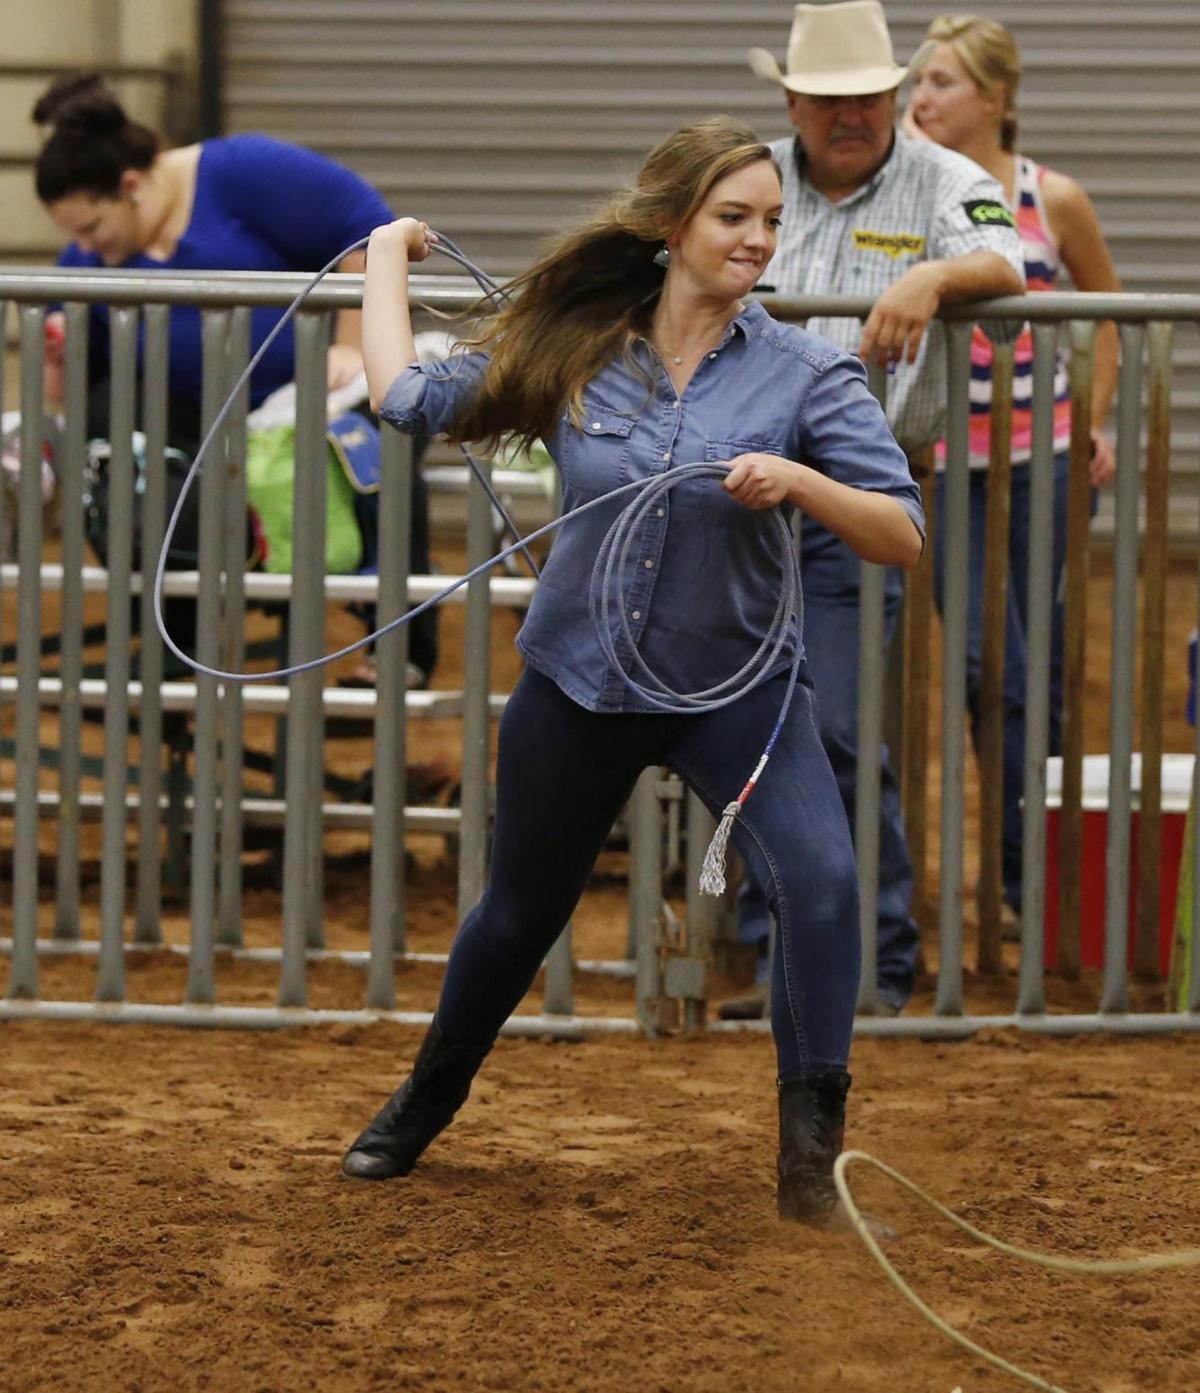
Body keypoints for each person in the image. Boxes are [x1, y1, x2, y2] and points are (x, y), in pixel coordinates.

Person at [341, 117, 924, 1226]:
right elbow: (407, 400)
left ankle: (813, 1174)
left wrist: (801, 483)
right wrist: (379, 257)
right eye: (733, 218)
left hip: (739, 692)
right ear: (670, 227)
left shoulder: (807, 372)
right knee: (520, 912)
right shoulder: (577, 350)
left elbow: (900, 531)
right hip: (581, 680)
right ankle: (424, 1100)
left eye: (770, 222)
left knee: (822, 882)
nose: (758, 240)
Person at [724, 0, 1025, 1019]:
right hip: (737, 500)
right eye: (827, 99)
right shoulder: (747, 174)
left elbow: (1007, 260)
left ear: (895, 97)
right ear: (794, 102)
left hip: (853, 492)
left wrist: (934, 276)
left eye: (867, 97)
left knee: (843, 726)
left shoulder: (944, 180)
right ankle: (773, 954)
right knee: (740, 722)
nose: (849, 116)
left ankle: (872, 961)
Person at [31, 73, 437, 687]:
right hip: (195, 425)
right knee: (109, 428)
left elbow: (369, 229)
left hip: (301, 399)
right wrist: (59, 358)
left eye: (92, 228)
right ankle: (177, 633)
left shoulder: (242, 171)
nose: (87, 248)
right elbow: (74, 394)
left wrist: (351, 346)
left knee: (376, 438)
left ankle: (401, 646)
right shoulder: (87, 260)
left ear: (131, 187)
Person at [904, 13, 1120, 917]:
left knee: (1044, 665)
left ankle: (1032, 879)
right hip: (948, 465)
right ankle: (1019, 868)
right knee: (995, 661)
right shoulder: (908, 188)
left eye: (941, 82)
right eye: (917, 82)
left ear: (995, 96)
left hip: (1046, 457)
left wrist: (1096, 421)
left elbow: (1110, 312)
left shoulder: (1051, 195)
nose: (920, 99)